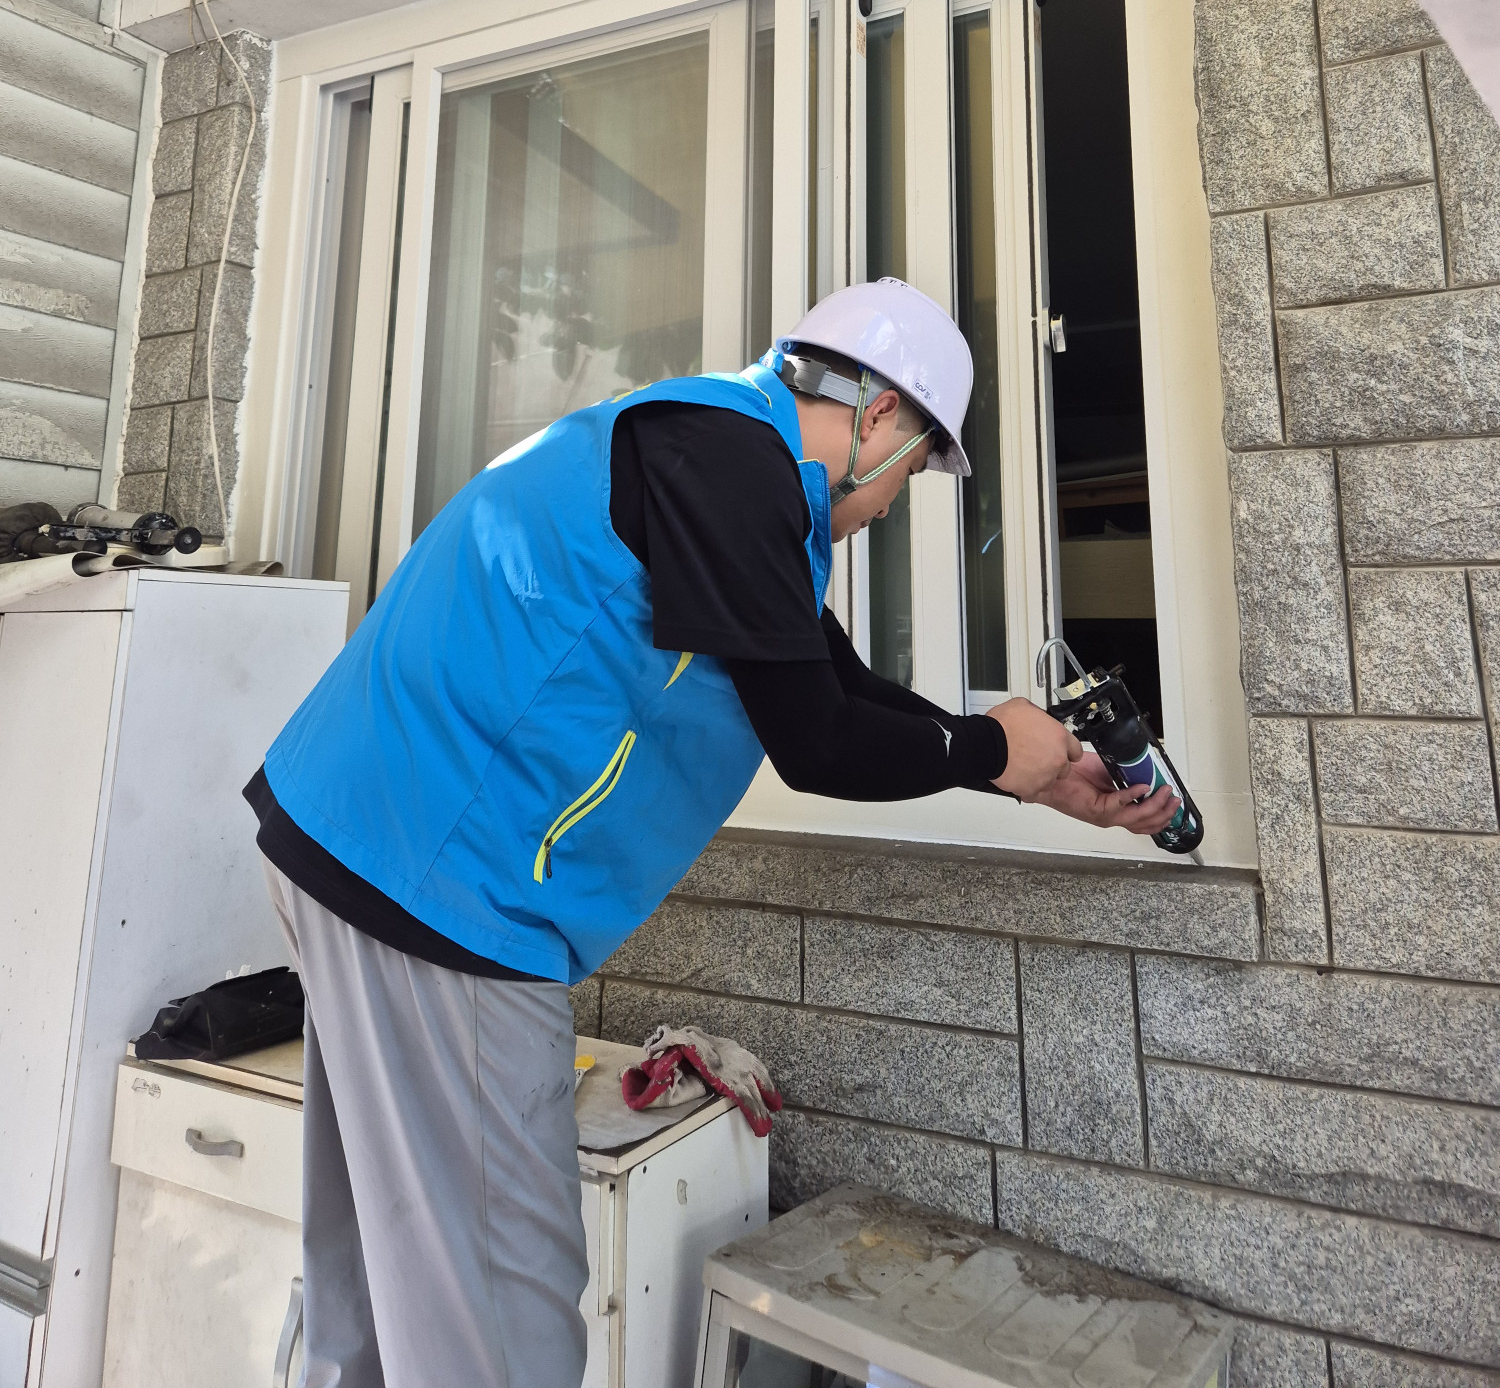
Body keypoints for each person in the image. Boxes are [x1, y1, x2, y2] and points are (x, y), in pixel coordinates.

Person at [246, 276, 1178, 1388]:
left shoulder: (716, 455)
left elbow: (840, 686)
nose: (895, 502)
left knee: (377, 1273)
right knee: (504, 1321)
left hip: (354, 841)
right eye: (919, 465)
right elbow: (817, 741)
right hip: (443, 892)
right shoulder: (732, 467)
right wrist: (988, 750)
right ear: (880, 413)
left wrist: (1035, 775)